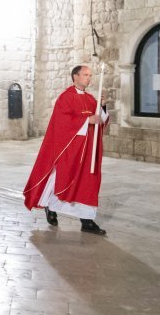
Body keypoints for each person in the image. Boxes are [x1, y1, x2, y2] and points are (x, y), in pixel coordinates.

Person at [23, 65, 109, 235]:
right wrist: (87, 120)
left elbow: (101, 121)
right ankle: (50, 206)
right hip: (70, 149)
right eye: (85, 75)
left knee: (87, 183)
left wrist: (103, 107)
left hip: (88, 150)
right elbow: (62, 122)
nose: (88, 78)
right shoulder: (65, 98)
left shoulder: (92, 99)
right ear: (75, 77)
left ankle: (87, 221)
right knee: (62, 179)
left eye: (90, 75)